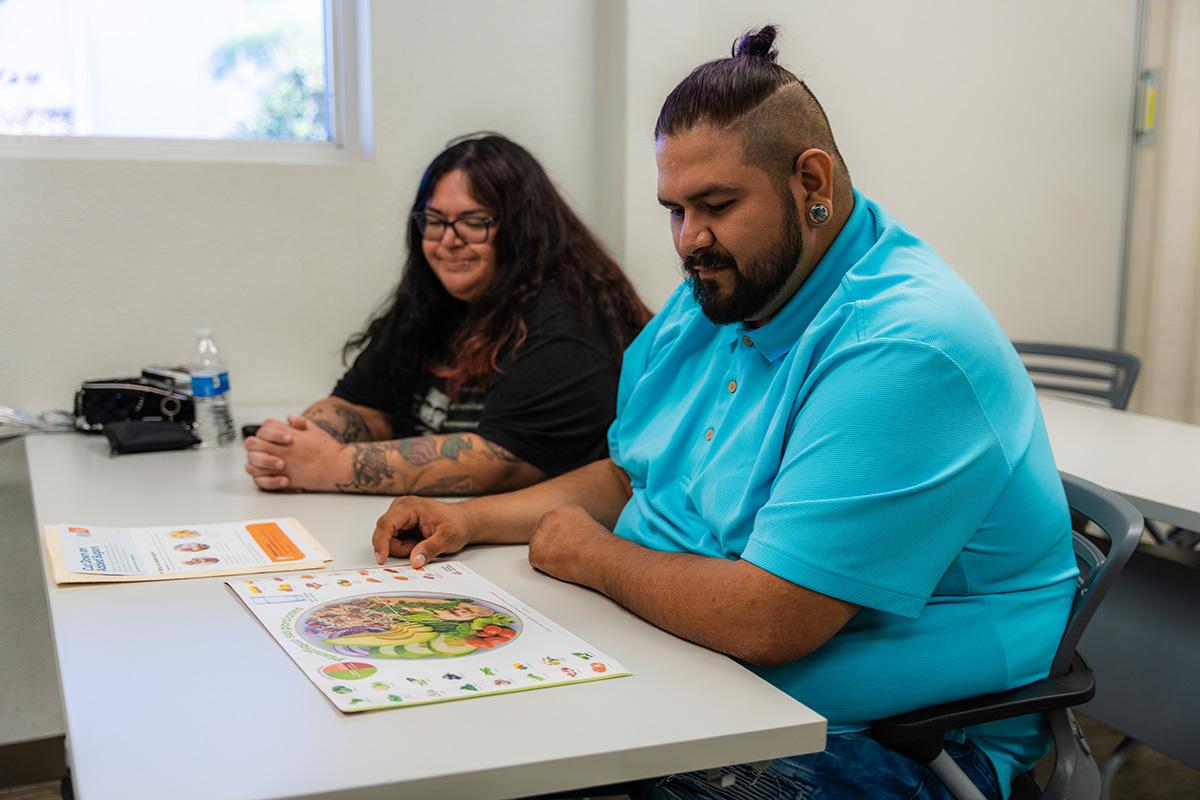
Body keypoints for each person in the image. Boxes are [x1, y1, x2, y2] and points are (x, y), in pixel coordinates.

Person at [370, 28, 1077, 800]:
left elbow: (770, 622)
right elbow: (632, 477)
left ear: (812, 180)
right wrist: (472, 519)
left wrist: (590, 557)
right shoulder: (725, 293)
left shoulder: (906, 347)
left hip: (902, 740)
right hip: (705, 678)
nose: (689, 240)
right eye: (675, 208)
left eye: (716, 205)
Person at [244, 134, 650, 496]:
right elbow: (363, 405)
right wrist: (294, 442)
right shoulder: (434, 302)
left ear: (524, 229)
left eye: (473, 223)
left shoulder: (570, 320)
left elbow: (504, 461)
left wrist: (328, 465)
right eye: (435, 222)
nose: (448, 241)